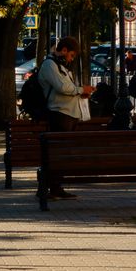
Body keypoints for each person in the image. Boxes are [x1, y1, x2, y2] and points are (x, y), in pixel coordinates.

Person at [38, 36, 95, 199]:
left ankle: (56, 186)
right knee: (57, 152)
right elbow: (63, 87)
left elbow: (68, 88)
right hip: (59, 114)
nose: (71, 59)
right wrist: (81, 90)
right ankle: (50, 187)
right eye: (71, 55)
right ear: (63, 50)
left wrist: (81, 93)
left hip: (68, 114)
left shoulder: (60, 65)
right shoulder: (50, 65)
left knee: (61, 153)